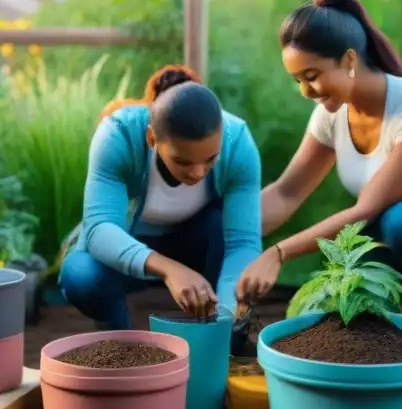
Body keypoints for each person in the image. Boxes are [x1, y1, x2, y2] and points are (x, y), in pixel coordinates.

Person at [236, 0, 402, 320]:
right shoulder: (331, 115)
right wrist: (228, 231)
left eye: (312, 76)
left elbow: (367, 209)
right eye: (297, 80)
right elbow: (286, 193)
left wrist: (278, 253)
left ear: (349, 60)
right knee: (357, 246)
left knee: (400, 219)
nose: (305, 91)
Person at [59, 65, 262, 333]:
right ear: (152, 138)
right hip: (126, 248)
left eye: (210, 159)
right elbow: (99, 229)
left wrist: (226, 316)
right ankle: (118, 334)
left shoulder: (237, 143)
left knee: (217, 226)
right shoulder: (119, 135)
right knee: (82, 276)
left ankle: (214, 327)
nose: (198, 172)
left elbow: (243, 242)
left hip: (195, 245)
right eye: (182, 161)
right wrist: (168, 269)